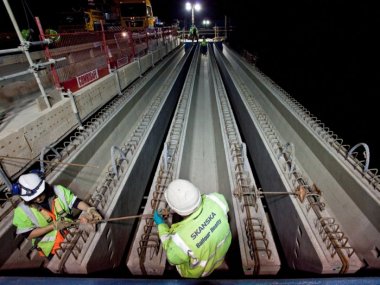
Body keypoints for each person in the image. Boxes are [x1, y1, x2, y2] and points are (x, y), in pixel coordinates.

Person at [12, 172, 102, 259]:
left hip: (72, 233)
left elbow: (75, 201)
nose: (38, 198)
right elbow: (28, 235)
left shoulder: (58, 190)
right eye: (33, 198)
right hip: (53, 249)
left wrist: (89, 209)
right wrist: (52, 226)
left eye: (40, 194)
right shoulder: (22, 211)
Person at [153, 179, 231, 278]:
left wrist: (161, 226)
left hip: (201, 271)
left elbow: (172, 258)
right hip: (220, 256)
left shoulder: (181, 240)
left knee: (175, 262)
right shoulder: (217, 199)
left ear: (175, 209)